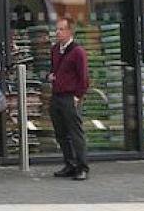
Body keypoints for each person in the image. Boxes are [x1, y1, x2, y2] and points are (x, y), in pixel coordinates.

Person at [48, 16, 91, 181]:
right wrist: (50, 76)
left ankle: (82, 167)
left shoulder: (78, 51)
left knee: (75, 133)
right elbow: (54, 69)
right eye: (57, 29)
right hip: (56, 95)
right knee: (61, 133)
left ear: (70, 31)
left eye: (61, 29)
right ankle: (70, 164)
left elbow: (84, 77)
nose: (57, 32)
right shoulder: (55, 49)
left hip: (70, 96)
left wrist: (77, 96)